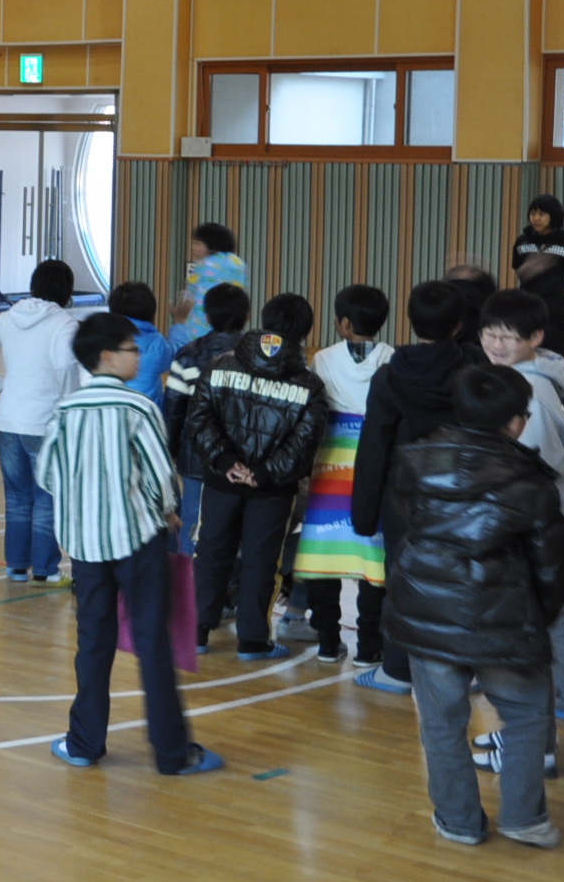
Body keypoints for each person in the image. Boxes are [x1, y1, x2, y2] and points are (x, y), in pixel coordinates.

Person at [389, 364, 564, 848]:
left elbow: (413, 520)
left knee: (441, 724)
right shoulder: (531, 481)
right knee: (528, 715)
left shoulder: (414, 459)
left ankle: (458, 822)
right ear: (515, 422)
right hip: (503, 617)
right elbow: (551, 565)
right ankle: (524, 819)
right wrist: (539, 617)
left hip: (425, 608)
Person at [40, 312, 224, 778]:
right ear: (107, 356)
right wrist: (167, 510)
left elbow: (47, 475)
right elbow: (161, 477)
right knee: (152, 641)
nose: (138, 357)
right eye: (131, 349)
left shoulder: (65, 410)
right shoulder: (138, 407)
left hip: (86, 547)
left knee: (93, 642)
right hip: (137, 542)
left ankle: (83, 743)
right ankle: (172, 752)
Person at [186, 293, 331, 660]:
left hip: (221, 480)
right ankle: (252, 641)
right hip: (272, 490)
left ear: (264, 321)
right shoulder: (309, 385)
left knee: (211, 551)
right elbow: (305, 444)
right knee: (261, 561)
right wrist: (265, 473)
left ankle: (197, 632)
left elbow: (199, 420)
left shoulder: (219, 365)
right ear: (304, 332)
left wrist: (226, 461)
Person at [478, 288, 564, 752]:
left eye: (508, 337)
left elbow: (533, 472)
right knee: (543, 629)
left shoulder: (532, 391)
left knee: (533, 635)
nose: (496, 344)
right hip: (543, 527)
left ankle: (534, 740)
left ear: (535, 337)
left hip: (537, 531)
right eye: (489, 333)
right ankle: (540, 729)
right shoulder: (527, 378)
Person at [351, 280, 473, 695]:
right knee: (461, 581)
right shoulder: (473, 371)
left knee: (401, 582)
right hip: (461, 493)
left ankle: (396, 670)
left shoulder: (389, 376)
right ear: (459, 325)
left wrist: (364, 515)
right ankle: (463, 669)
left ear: (410, 320)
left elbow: (374, 447)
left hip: (403, 497)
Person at [291, 284, 393, 665]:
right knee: (373, 559)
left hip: (330, 462)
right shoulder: (391, 357)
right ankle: (369, 646)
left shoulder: (323, 358)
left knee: (324, 556)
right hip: (374, 463)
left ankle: (328, 643)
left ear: (344, 323)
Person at [0, 260, 84, 582]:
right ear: (66, 290)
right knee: (47, 497)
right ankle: (45, 570)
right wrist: (69, 401)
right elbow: (65, 366)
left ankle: (17, 566)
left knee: (17, 498)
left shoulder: (9, 316)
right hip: (44, 423)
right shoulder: (64, 323)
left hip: (8, 422)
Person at [165, 283, 252, 557]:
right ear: (247, 316)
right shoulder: (257, 357)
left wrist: (172, 452)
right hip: (244, 459)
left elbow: (174, 410)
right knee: (237, 526)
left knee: (193, 523)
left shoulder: (188, 355)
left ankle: (191, 581)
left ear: (207, 316)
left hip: (196, 456)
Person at [512, 195, 564, 358]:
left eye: (542, 214)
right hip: (528, 307)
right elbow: (518, 268)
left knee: (558, 355)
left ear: (554, 216)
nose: (536, 218)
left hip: (558, 311)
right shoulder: (522, 241)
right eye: (533, 213)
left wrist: (561, 287)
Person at [167, 221, 248, 348]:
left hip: (199, 335)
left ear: (213, 245)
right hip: (232, 333)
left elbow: (194, 301)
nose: (193, 248)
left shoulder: (205, 265)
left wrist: (180, 317)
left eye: (198, 243)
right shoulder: (239, 265)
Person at [106, 281, 174, 411]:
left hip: (110, 412)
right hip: (147, 414)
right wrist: (180, 322)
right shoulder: (156, 343)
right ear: (152, 315)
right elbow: (179, 353)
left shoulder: (104, 339)